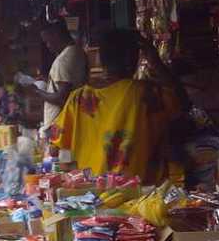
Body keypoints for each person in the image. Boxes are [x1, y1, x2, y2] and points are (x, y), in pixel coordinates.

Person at [53, 29, 190, 183]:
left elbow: (57, 147)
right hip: (138, 195)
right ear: (133, 58)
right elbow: (182, 103)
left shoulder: (77, 98)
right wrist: (156, 62)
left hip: (90, 194)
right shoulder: (146, 93)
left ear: (101, 59)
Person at [30, 20, 89, 135]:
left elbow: (62, 98)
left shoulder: (63, 60)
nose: (47, 46)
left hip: (60, 126)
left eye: (48, 41)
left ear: (56, 35)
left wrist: (37, 92)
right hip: (71, 121)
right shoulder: (77, 51)